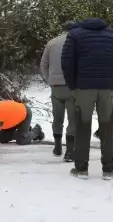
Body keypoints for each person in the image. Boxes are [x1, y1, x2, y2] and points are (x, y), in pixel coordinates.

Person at [61, 17, 113, 180]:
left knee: (83, 127)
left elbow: (67, 63)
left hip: (83, 88)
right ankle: (108, 169)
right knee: (107, 128)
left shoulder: (75, 35)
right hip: (108, 88)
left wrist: (73, 85)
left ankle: (81, 169)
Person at [40, 21, 76, 161]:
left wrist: (49, 79)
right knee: (73, 120)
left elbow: (43, 64)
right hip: (72, 86)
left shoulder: (52, 43)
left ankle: (57, 146)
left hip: (56, 86)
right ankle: (70, 152)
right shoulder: (76, 43)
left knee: (57, 118)